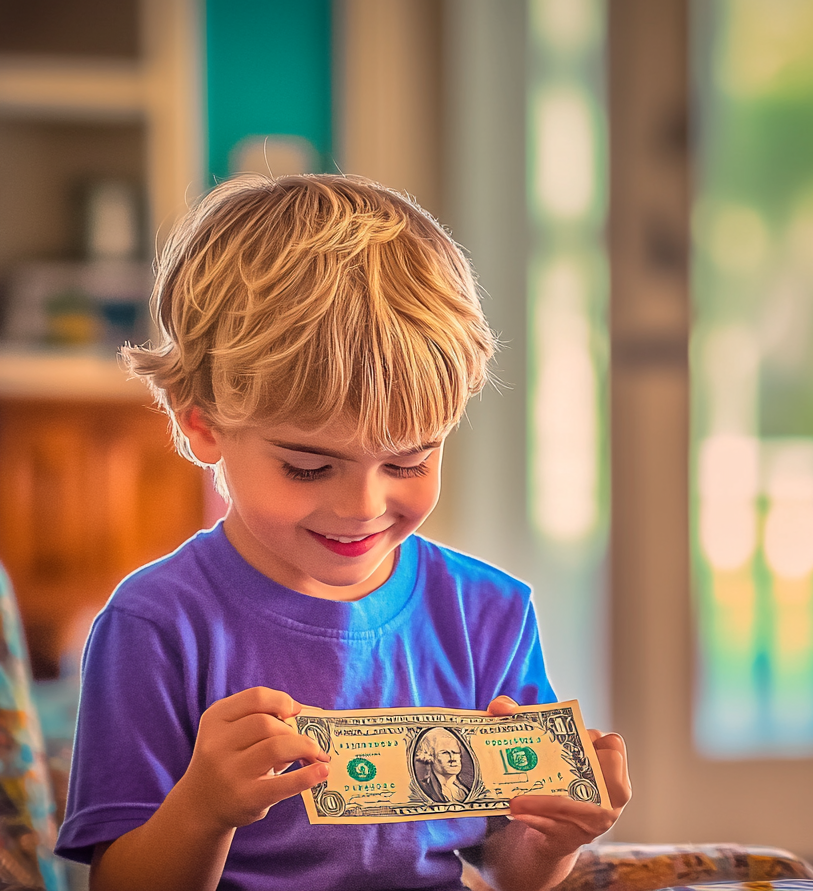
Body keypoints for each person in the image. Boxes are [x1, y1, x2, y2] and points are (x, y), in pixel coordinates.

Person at [53, 175, 632, 891]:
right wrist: (203, 809)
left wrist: (553, 837)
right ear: (202, 422)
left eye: (408, 460)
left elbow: (510, 870)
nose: (362, 506)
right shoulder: (154, 624)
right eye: (308, 466)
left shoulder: (491, 614)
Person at [415, 728, 472, 804]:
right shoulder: (425, 790)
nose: (452, 759)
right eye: (445, 753)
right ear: (430, 757)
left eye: (456, 752)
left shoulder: (464, 792)